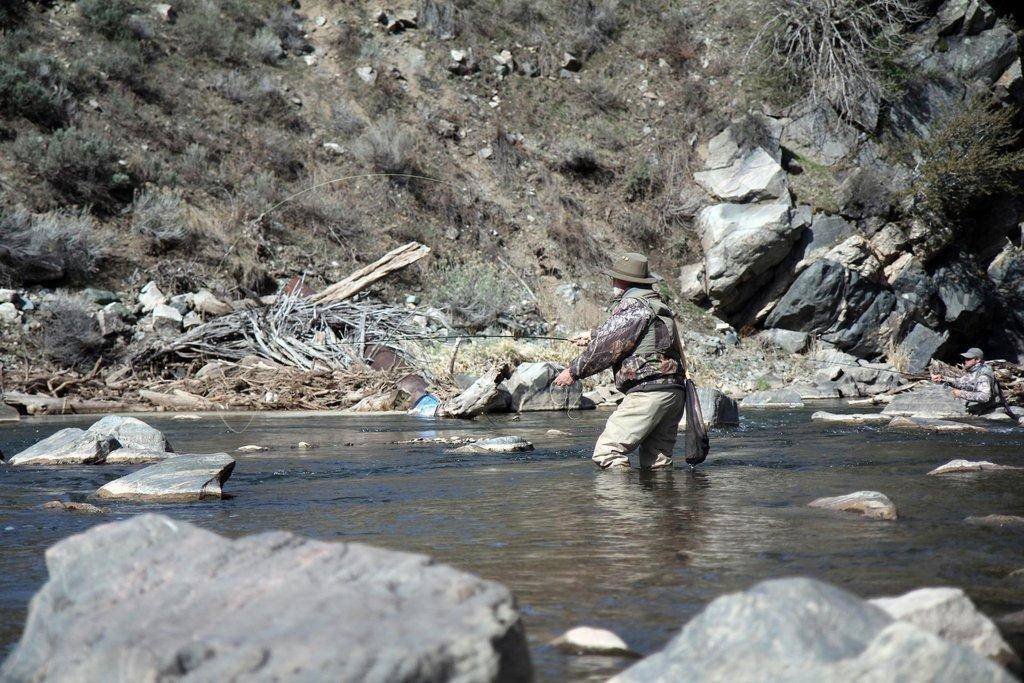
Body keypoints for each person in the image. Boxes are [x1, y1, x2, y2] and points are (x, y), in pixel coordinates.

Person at [553, 252, 686, 470]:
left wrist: (573, 371)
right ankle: (663, 504)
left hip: (648, 393)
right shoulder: (655, 304)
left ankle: (622, 503)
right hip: (673, 393)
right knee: (657, 463)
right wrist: (593, 335)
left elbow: (607, 348)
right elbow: (635, 336)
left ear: (624, 281)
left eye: (615, 277)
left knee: (608, 452)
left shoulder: (634, 305)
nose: (612, 281)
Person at [930, 347, 1004, 415]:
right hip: (980, 406)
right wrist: (943, 378)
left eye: (968, 359)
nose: (965, 361)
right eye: (965, 358)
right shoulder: (975, 371)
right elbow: (961, 382)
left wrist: (961, 393)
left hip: (988, 409)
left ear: (977, 360)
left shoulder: (983, 376)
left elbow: (985, 397)